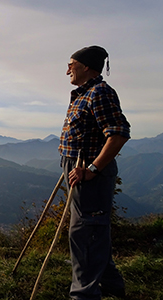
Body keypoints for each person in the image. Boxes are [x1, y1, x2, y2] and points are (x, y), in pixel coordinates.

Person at [59, 45, 131, 299]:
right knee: (92, 231)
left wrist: (91, 168)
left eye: (71, 63)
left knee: (85, 233)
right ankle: (111, 285)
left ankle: (84, 295)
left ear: (86, 66)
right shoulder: (83, 94)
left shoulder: (99, 92)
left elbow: (119, 133)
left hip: (89, 175)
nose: (67, 68)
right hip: (77, 170)